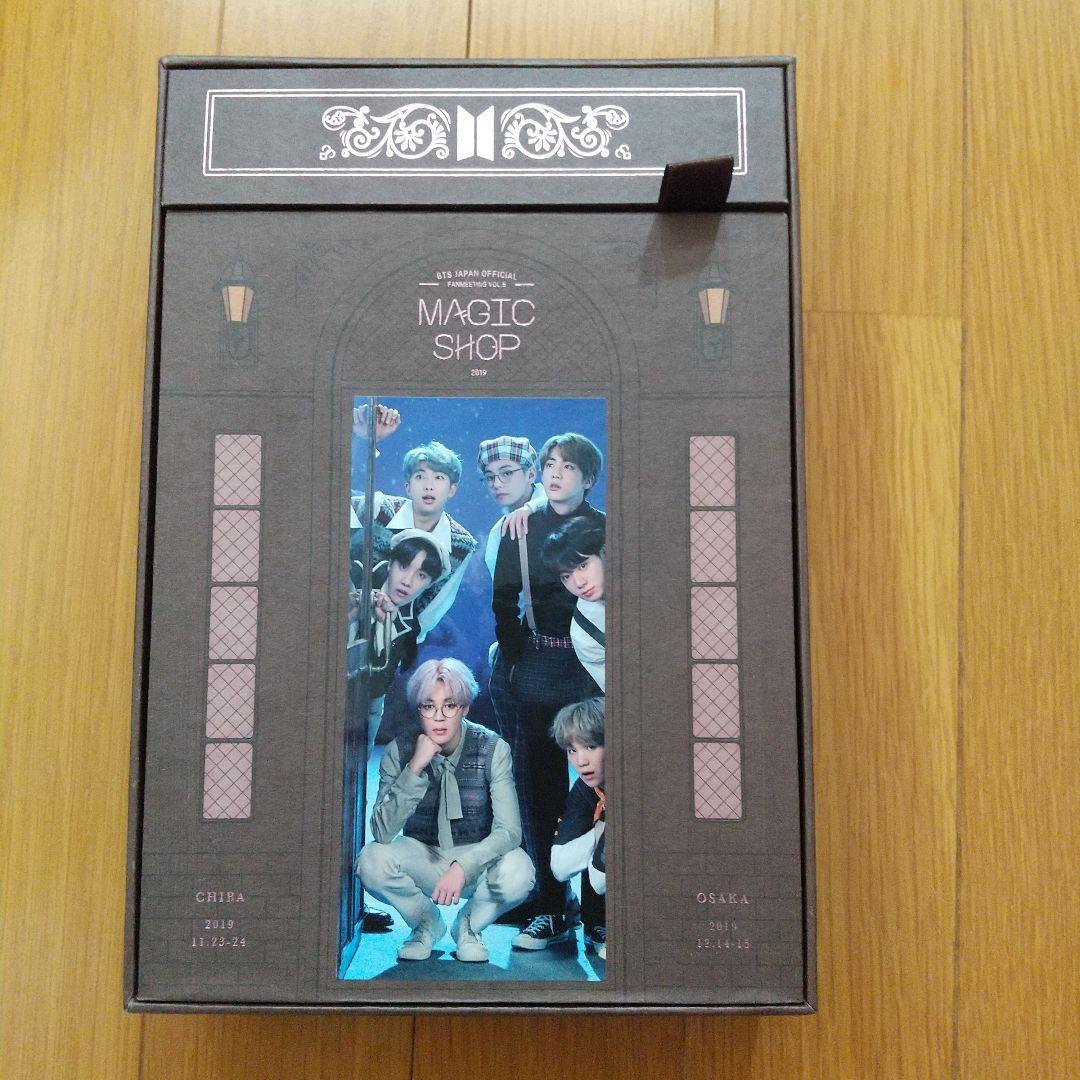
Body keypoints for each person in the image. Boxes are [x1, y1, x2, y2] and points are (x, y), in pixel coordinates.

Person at [490, 432, 606, 949]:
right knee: (538, 790)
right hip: (538, 661)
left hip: (591, 665)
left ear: (589, 477)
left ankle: (600, 911)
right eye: (549, 465)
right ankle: (552, 908)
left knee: (603, 786)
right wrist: (517, 653)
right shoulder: (521, 525)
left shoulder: (606, 528)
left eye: (568, 466)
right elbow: (503, 599)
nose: (556, 474)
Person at [355, 659, 535, 963]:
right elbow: (382, 832)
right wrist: (415, 768)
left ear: (464, 708)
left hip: (475, 856)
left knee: (520, 869)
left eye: (449, 706)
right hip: (422, 854)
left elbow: (509, 831)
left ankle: (468, 927)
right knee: (371, 860)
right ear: (418, 710)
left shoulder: (493, 748)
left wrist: (462, 867)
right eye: (429, 706)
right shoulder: (399, 750)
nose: (439, 717)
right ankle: (426, 923)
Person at [350, 404, 477, 643]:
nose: (428, 486)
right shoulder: (379, 508)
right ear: (408, 486)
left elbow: (433, 608)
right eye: (420, 476)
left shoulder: (461, 544)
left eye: (438, 478)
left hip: (396, 639)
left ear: (452, 489)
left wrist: (398, 640)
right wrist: (366, 440)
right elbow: (335, 501)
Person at [347, 529, 451, 754]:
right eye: (403, 566)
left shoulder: (411, 625)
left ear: (429, 584)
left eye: (421, 575)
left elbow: (391, 668)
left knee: (363, 746)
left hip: (372, 700)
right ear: (390, 564)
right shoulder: (356, 576)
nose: (407, 581)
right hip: (335, 694)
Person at [475, 435, 547, 737]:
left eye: (506, 473)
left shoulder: (557, 509)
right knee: (509, 708)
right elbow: (507, 600)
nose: (497, 484)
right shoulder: (498, 533)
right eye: (490, 477)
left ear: (531, 474)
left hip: (570, 633)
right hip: (527, 634)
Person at [549, 697, 607, 960]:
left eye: (590, 747)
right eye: (572, 750)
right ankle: (596, 925)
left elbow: (600, 881)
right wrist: (601, 828)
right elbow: (561, 868)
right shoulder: (585, 788)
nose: (581, 761)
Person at [541, 515, 606, 693]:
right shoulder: (584, 634)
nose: (579, 583)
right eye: (566, 576)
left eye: (583, 566)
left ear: (604, 552)